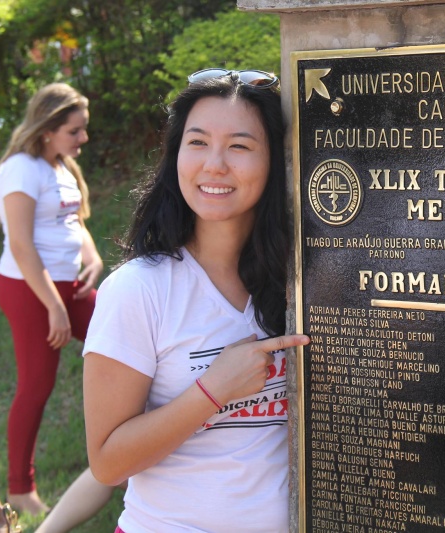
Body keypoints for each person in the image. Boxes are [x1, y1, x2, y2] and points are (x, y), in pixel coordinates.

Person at [82, 69, 310, 533]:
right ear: (175, 154)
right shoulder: (139, 290)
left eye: (240, 146)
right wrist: (213, 391)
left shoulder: (301, 283)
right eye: (198, 142)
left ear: (276, 162)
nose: (214, 165)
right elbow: (107, 462)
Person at [0, 82, 112, 518]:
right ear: (47, 129)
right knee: (36, 386)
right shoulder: (21, 168)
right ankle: (20, 489)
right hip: (30, 290)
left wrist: (92, 257)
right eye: (74, 131)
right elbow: (21, 244)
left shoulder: (59, 166)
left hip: (68, 287)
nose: (83, 139)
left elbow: (73, 222)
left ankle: (139, 453)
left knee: (126, 340)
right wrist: (54, 308)